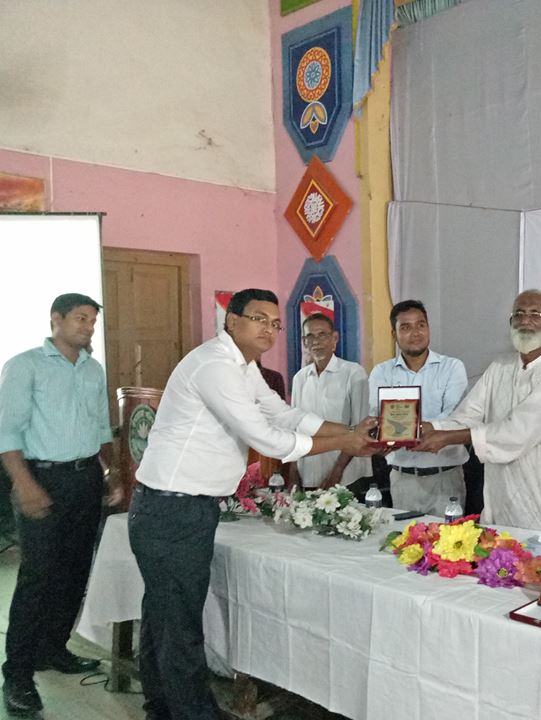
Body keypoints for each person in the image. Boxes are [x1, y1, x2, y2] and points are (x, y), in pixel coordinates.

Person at [129, 288, 376, 720]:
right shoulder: (215, 366)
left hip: (182, 507)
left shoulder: (243, 368)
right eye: (259, 319)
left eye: (275, 323)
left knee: (164, 618)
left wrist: (349, 431)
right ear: (232, 321)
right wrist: (346, 442)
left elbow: (283, 414)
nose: (269, 329)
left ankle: (161, 707)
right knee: (179, 626)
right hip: (171, 510)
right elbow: (268, 439)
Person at [0, 293, 121, 716]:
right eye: (80, 318)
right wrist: (24, 484)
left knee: (74, 572)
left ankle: (53, 650)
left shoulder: (92, 369)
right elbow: (6, 432)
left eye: (92, 321)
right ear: (56, 319)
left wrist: (111, 474)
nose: (88, 327)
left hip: (85, 479)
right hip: (41, 478)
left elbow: (101, 427)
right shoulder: (26, 366)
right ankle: (17, 675)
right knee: (38, 577)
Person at [417, 290, 541, 531]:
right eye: (519, 314)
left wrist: (447, 437)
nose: (525, 320)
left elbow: (519, 431)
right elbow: (468, 414)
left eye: (535, 314)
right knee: (500, 551)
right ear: (511, 322)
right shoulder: (500, 366)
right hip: (503, 496)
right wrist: (428, 428)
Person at [368, 300, 468, 514]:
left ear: (428, 328)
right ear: (394, 334)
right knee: (404, 535)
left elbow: (455, 417)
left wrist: (412, 430)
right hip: (403, 479)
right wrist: (381, 435)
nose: (415, 333)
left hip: (445, 478)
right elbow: (377, 417)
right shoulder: (381, 372)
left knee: (450, 536)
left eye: (420, 325)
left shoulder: (452, 367)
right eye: (405, 327)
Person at [291, 313, 371, 489]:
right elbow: (295, 427)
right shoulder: (300, 378)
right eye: (310, 336)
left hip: (347, 476)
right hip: (308, 473)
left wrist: (337, 473)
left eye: (322, 335)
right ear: (304, 342)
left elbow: (360, 428)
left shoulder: (354, 373)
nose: (316, 342)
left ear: (335, 338)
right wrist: (293, 473)